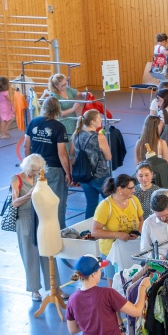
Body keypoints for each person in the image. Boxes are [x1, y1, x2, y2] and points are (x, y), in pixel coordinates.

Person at [12, 154, 63, 301]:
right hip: (25, 219)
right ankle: (34, 290)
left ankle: (55, 286)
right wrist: (29, 195)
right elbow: (15, 203)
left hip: (40, 217)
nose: (37, 174)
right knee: (30, 254)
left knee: (47, 252)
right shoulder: (16, 179)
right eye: (34, 171)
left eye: (39, 171)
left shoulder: (39, 178)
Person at [24, 97, 71, 228]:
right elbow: (62, 153)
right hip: (54, 169)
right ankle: (59, 232)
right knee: (57, 203)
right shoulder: (59, 127)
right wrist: (68, 173)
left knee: (39, 202)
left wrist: (29, 166)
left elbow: (26, 146)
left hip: (36, 169)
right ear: (57, 109)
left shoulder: (33, 122)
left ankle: (40, 232)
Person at [91, 174, 143, 283]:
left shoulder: (134, 200)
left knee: (133, 278)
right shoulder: (105, 206)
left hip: (131, 248)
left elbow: (141, 220)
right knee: (114, 282)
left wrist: (138, 232)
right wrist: (117, 235)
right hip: (111, 251)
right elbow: (95, 232)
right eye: (130, 188)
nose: (134, 190)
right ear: (120, 189)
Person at [70, 110, 112, 219]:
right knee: (112, 201)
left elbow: (71, 152)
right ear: (93, 122)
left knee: (91, 204)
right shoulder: (99, 137)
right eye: (99, 119)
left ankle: (89, 230)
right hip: (100, 175)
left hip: (84, 175)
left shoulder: (77, 134)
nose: (101, 120)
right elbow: (108, 157)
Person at [45, 73, 86, 139]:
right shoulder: (54, 96)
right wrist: (73, 109)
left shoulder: (68, 89)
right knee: (66, 140)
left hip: (73, 119)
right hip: (63, 122)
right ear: (56, 86)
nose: (65, 86)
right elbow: (60, 113)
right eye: (62, 85)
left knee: (74, 138)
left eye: (65, 83)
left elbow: (79, 94)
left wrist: (86, 94)